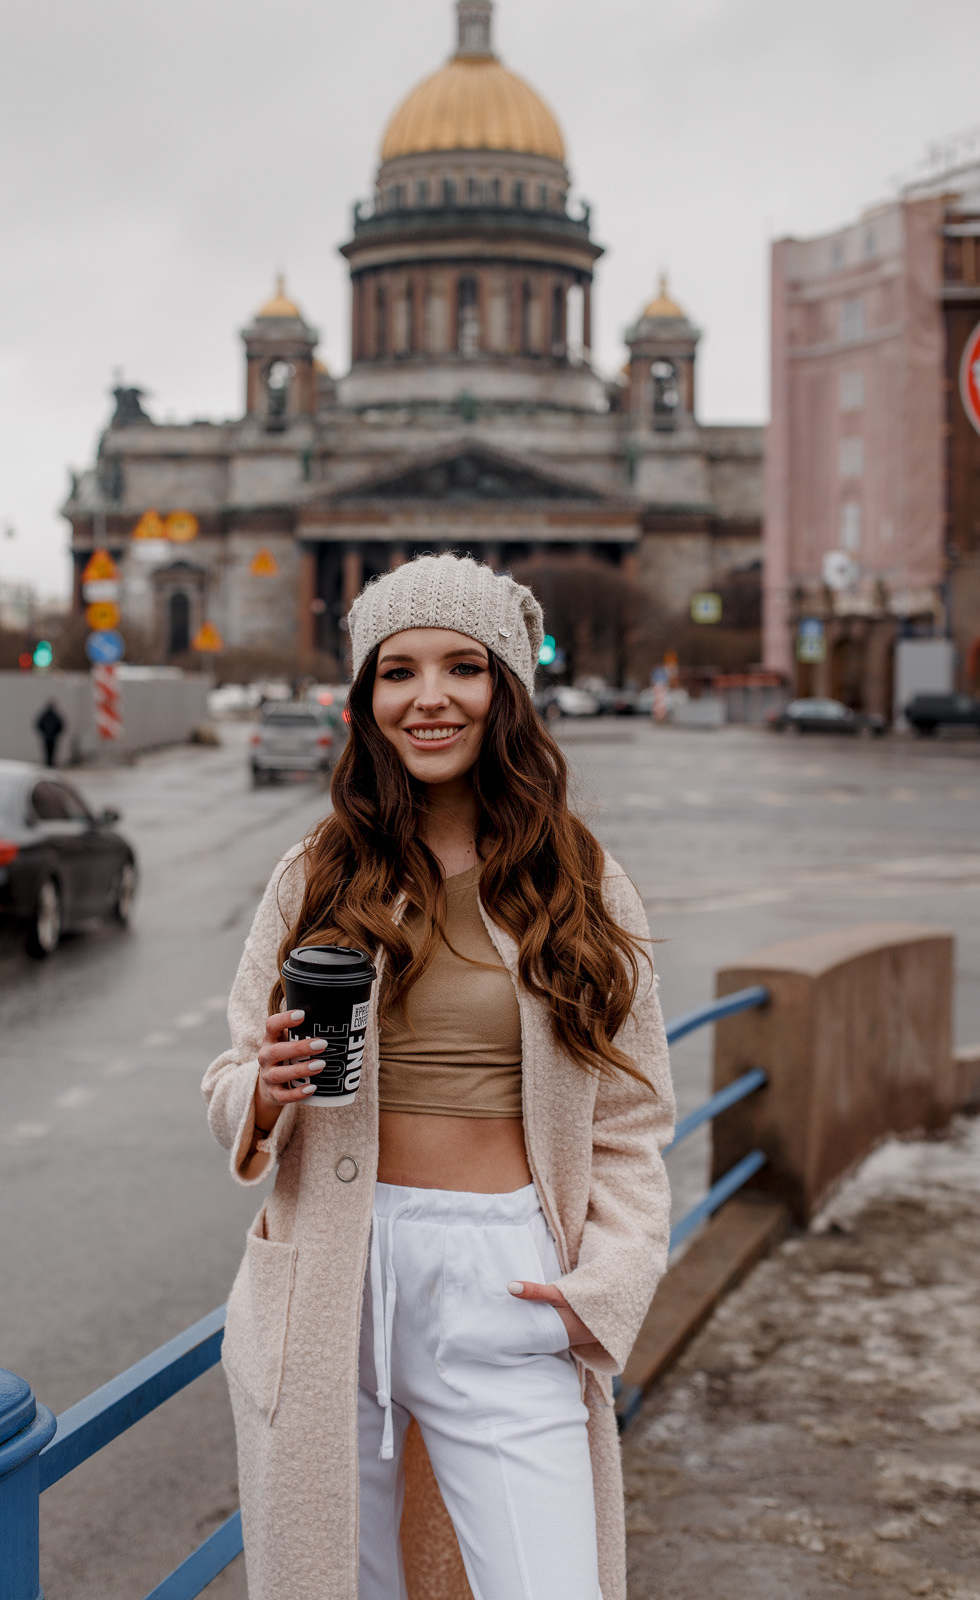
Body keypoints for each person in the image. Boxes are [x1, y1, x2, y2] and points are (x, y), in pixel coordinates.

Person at [202, 554, 675, 1600]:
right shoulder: (314, 873)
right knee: (341, 1581)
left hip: (503, 1275)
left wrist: (590, 1294)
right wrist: (267, 1091)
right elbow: (233, 1070)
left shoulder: (580, 882)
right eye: (395, 671)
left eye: (461, 667)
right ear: (365, 700)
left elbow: (634, 1120)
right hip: (330, 1275)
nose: (427, 698)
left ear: (505, 687)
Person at [34, 700, 65, 768]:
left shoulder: (46, 715)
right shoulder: (54, 716)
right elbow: (60, 725)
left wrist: (45, 733)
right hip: (50, 737)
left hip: (48, 737)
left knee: (48, 753)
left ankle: (49, 765)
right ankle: (50, 765)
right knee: (51, 753)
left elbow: (60, 725)